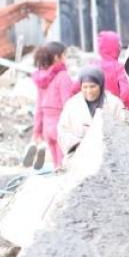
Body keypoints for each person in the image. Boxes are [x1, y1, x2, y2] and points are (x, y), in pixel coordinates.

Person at [27, 42, 77, 171]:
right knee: (66, 167)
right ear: (56, 57)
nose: (66, 59)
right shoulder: (62, 76)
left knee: (57, 167)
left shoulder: (41, 79)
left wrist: (36, 132)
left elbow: (38, 107)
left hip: (47, 129)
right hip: (61, 126)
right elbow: (68, 104)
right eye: (64, 55)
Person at [56, 66, 125, 160]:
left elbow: (123, 130)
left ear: (100, 85)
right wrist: (81, 145)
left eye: (93, 86)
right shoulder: (72, 105)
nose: (89, 91)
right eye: (85, 87)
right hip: (79, 158)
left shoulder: (114, 104)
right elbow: (63, 131)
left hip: (109, 157)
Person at [96, 31, 129, 111]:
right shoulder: (118, 68)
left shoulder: (91, 66)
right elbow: (125, 94)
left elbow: (75, 89)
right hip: (114, 111)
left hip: (94, 112)